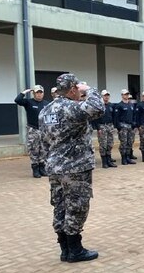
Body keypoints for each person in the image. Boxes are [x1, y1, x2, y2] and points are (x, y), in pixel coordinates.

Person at [38, 73, 104, 263]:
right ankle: (75, 250)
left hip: (54, 167)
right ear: (74, 89)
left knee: (60, 206)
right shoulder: (72, 108)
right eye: (78, 89)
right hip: (75, 168)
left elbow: (44, 141)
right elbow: (97, 108)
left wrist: (50, 160)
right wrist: (90, 89)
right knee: (76, 206)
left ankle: (65, 249)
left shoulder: (45, 111)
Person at [15, 85, 50, 178]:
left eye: (40, 92)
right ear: (33, 93)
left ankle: (42, 168)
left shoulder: (47, 103)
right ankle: (35, 169)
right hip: (33, 129)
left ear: (43, 93)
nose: (39, 94)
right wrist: (24, 92)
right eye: (37, 92)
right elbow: (17, 100)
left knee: (43, 149)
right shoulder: (29, 102)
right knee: (34, 149)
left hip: (44, 130)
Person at [91, 90, 117, 168]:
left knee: (110, 144)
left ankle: (109, 160)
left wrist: (114, 125)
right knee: (103, 145)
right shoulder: (99, 106)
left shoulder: (111, 105)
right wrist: (98, 128)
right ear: (102, 96)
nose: (106, 97)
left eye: (108, 95)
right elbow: (95, 118)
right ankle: (104, 162)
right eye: (105, 95)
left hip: (110, 126)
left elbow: (114, 116)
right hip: (102, 126)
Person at [114, 89, 137, 165]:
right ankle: (123, 158)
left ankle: (128, 157)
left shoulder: (131, 105)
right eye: (125, 94)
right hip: (123, 126)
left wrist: (134, 124)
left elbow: (134, 115)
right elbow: (116, 117)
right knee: (123, 143)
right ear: (122, 95)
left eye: (127, 94)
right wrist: (118, 127)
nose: (126, 95)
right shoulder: (119, 105)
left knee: (130, 142)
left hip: (130, 126)